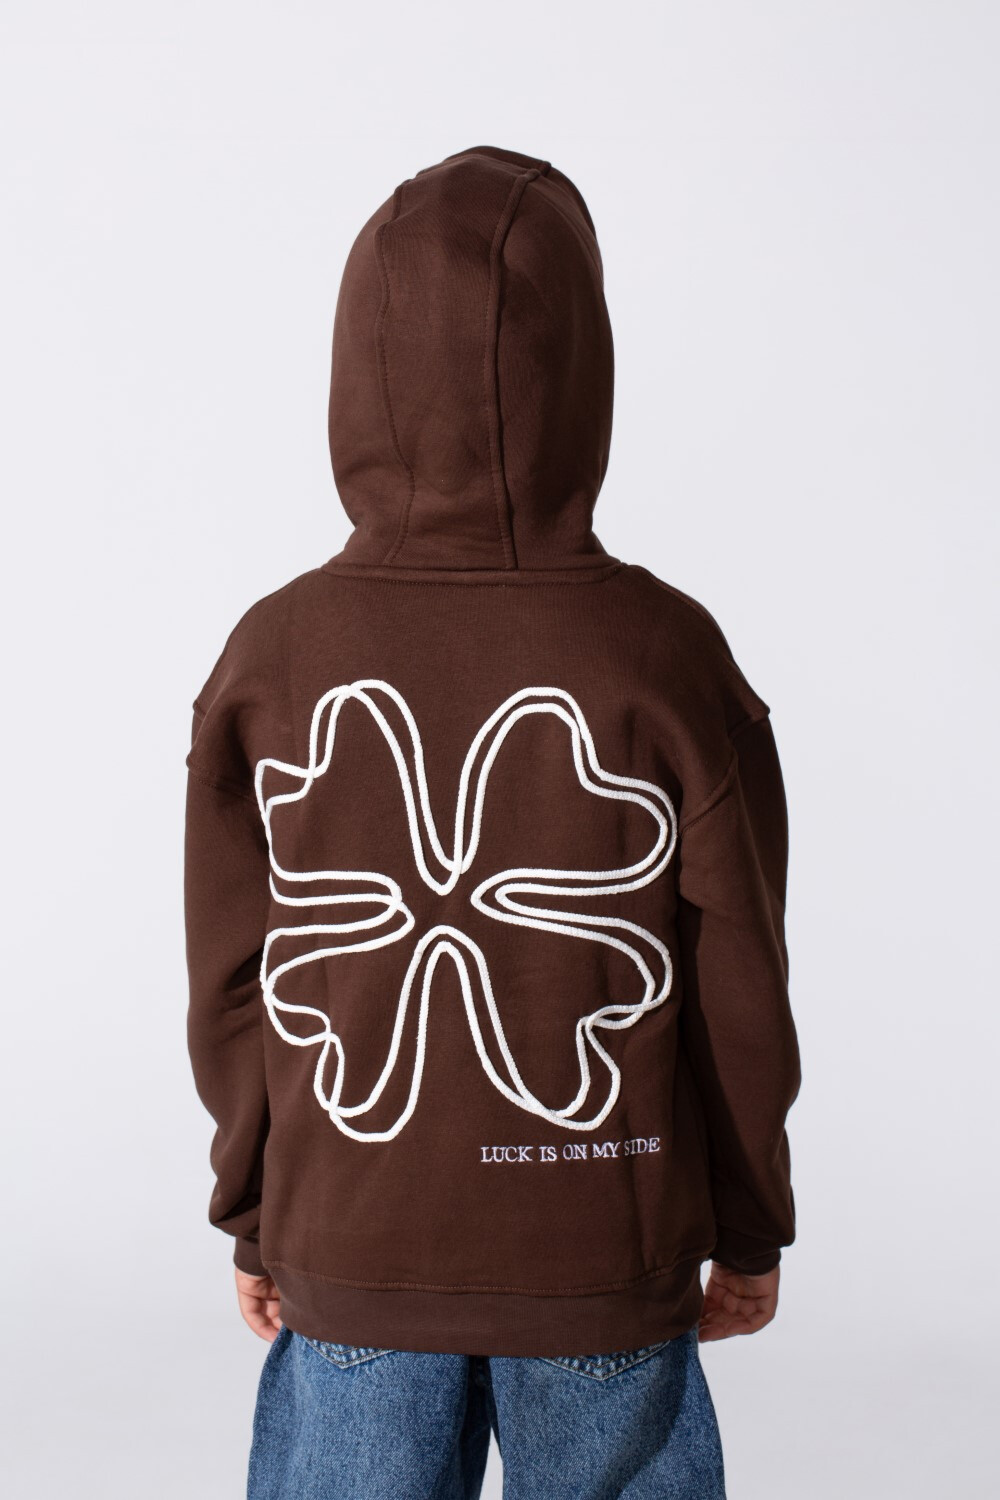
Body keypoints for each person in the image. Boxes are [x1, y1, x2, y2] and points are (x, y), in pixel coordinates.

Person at [184, 144, 801, 1500]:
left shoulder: (273, 654)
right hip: (601, 1247)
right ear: (583, 371)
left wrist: (256, 1212)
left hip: (351, 1242)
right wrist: (750, 1223)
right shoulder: (668, 653)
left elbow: (238, 975)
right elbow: (742, 976)